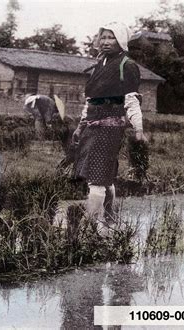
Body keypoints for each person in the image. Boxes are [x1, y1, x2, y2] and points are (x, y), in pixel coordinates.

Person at [71, 22, 147, 227]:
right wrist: (80, 126)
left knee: (96, 176)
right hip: (92, 127)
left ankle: (91, 223)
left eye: (110, 38)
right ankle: (109, 216)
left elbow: (131, 100)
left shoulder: (127, 65)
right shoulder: (99, 65)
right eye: (103, 37)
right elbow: (90, 100)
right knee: (103, 175)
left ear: (121, 40)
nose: (105, 42)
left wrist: (139, 129)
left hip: (110, 128)